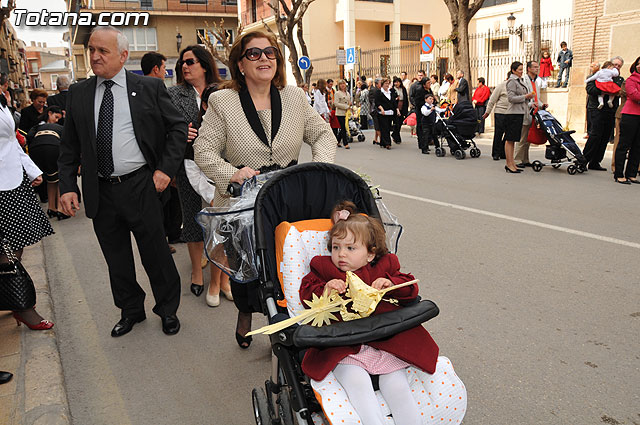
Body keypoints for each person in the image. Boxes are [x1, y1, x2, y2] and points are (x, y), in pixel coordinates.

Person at [193, 29, 336, 348]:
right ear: (240, 65)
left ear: (278, 60)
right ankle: (245, 313)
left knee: (288, 267)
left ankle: (283, 322)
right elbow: (203, 150)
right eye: (253, 53)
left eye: (270, 52)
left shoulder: (295, 96)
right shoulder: (222, 101)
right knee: (248, 269)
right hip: (240, 201)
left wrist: (318, 169)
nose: (263, 58)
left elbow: (323, 135)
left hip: (286, 198)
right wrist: (232, 173)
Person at [58, 26, 187, 337]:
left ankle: (167, 310)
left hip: (141, 185)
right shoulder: (78, 93)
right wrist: (66, 186)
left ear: (123, 55)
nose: (95, 56)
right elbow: (69, 146)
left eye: (103, 50)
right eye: (92, 50)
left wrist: (165, 170)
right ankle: (131, 311)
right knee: (116, 258)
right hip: (101, 190)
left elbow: (178, 128)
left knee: (155, 254)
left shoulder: (148, 88)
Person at [299, 201, 439, 425]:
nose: (341, 254)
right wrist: (325, 290)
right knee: (358, 385)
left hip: (386, 340)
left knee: (397, 388)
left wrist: (391, 283)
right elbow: (306, 293)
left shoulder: (385, 266)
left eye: (350, 248)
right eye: (336, 247)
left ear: (370, 254)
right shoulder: (323, 269)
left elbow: (411, 288)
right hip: (344, 346)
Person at [168, 45, 232, 306]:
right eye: (182, 63)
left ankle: (223, 277)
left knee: (224, 222)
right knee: (192, 219)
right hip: (187, 164)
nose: (185, 66)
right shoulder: (173, 94)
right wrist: (180, 135)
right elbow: (165, 130)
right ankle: (197, 271)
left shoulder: (225, 91)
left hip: (223, 164)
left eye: (190, 61)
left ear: (204, 64)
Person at [1, 84, 55, 331]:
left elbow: (11, 141)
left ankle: (12, 299)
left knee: (16, 243)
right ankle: (21, 305)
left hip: (13, 181)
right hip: (2, 186)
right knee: (6, 248)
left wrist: (32, 170)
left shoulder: (2, 100)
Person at [142, 52, 181, 253]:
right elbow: (169, 127)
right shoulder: (157, 90)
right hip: (158, 162)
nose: (165, 72)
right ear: (156, 69)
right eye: (164, 67)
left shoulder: (136, 90)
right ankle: (161, 243)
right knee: (160, 204)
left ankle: (164, 239)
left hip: (148, 162)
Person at [26, 105, 68, 220]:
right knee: (60, 177)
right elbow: (67, 142)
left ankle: (51, 208)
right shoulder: (60, 128)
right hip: (53, 147)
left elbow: (29, 136)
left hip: (35, 149)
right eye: (56, 117)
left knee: (50, 179)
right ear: (49, 113)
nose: (57, 120)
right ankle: (60, 209)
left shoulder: (38, 126)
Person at [583, 56, 624, 171]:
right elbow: (590, 89)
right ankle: (583, 160)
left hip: (611, 111)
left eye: (619, 66)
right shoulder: (597, 75)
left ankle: (595, 162)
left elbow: (621, 92)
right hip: (597, 109)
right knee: (595, 135)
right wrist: (606, 90)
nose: (616, 67)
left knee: (605, 137)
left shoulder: (619, 80)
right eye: (614, 64)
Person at [505, 61, 536, 173]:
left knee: (513, 140)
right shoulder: (512, 81)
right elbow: (511, 98)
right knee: (510, 140)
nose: (521, 72)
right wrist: (525, 96)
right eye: (519, 70)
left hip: (519, 113)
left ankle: (512, 163)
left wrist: (528, 98)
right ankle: (509, 164)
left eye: (522, 69)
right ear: (513, 70)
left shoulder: (519, 81)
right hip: (513, 113)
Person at [613, 56, 640, 184]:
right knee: (624, 145)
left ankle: (631, 174)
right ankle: (619, 174)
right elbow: (634, 95)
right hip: (630, 115)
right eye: (639, 64)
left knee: (637, 146)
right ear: (635, 66)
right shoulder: (630, 80)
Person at [514, 61, 546, 168]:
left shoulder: (536, 82)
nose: (537, 69)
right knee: (522, 138)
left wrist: (542, 105)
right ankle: (517, 159)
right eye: (535, 67)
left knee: (528, 138)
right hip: (525, 111)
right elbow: (523, 98)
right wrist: (531, 104)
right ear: (529, 69)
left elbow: (536, 98)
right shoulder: (523, 81)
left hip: (533, 113)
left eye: (538, 67)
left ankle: (525, 159)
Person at [483, 72, 511, 160]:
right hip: (501, 112)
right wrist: (487, 112)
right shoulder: (501, 86)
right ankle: (495, 153)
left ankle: (503, 152)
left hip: (512, 113)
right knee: (499, 133)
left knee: (509, 134)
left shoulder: (517, 86)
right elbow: (492, 100)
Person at [376, 78, 395, 150]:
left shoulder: (390, 92)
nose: (387, 85)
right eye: (386, 83)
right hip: (382, 113)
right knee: (384, 128)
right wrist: (381, 109)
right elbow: (377, 102)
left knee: (388, 127)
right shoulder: (379, 92)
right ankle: (388, 143)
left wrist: (396, 110)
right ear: (382, 84)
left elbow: (393, 102)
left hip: (390, 112)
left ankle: (383, 142)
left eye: (388, 83)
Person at [409, 72, 426, 150]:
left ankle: (426, 142)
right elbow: (411, 96)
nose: (420, 77)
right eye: (419, 75)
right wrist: (415, 104)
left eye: (421, 75)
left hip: (426, 109)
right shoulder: (414, 86)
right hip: (419, 108)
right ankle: (420, 142)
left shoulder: (426, 86)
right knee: (419, 125)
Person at [334, 79, 352, 149]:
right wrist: (346, 106)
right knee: (343, 128)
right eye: (341, 84)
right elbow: (336, 103)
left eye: (343, 84)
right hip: (340, 113)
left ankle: (337, 141)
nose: (342, 85)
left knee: (343, 128)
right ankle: (345, 143)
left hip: (346, 113)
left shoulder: (347, 93)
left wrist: (349, 105)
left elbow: (349, 101)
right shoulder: (337, 93)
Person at [391, 76, 408, 144]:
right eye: (395, 82)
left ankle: (395, 134)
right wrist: (396, 99)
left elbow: (406, 98)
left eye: (397, 82)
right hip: (396, 107)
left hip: (402, 106)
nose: (396, 84)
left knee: (400, 122)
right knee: (396, 123)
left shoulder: (403, 89)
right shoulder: (392, 90)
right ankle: (396, 137)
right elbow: (391, 99)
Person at [368, 78, 382, 145]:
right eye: (380, 83)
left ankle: (375, 139)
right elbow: (372, 101)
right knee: (377, 125)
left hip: (378, 109)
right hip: (374, 110)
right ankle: (382, 140)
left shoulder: (380, 90)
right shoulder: (373, 90)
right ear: (376, 84)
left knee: (378, 124)